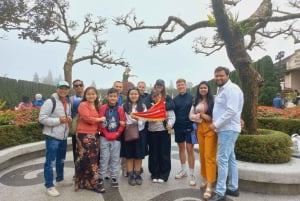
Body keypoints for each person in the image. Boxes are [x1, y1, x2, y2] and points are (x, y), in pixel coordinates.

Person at [208, 67, 244, 201]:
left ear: (228, 75)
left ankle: (220, 192)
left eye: (221, 76)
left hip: (227, 129)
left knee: (222, 160)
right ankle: (233, 187)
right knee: (230, 159)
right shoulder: (223, 89)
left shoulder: (232, 89)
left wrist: (215, 124)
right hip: (226, 129)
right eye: (216, 76)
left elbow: (231, 111)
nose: (218, 78)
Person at [38, 81, 73, 197]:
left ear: (68, 90)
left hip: (63, 136)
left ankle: (60, 179)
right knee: (50, 162)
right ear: (57, 89)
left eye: (66, 88)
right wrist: (59, 120)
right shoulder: (50, 101)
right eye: (61, 88)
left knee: (61, 160)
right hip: (52, 136)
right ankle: (49, 186)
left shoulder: (67, 102)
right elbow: (42, 119)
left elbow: (67, 116)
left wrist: (69, 118)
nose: (63, 90)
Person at [74, 87, 106, 193]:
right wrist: (100, 119)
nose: (91, 96)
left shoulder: (97, 106)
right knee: (88, 159)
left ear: (96, 95)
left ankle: (84, 182)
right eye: (88, 94)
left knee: (90, 159)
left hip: (95, 134)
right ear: (85, 95)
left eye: (93, 94)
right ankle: (92, 183)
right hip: (84, 135)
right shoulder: (83, 105)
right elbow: (87, 119)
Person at [189, 81, 217, 200]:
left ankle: (210, 185)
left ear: (208, 89)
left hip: (210, 128)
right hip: (199, 129)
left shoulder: (213, 100)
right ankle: (207, 179)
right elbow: (191, 115)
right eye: (201, 88)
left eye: (205, 87)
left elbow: (214, 117)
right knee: (202, 156)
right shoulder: (196, 100)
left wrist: (202, 115)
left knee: (209, 156)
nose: (203, 89)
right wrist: (198, 116)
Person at [98, 88, 126, 189]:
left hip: (116, 138)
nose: (113, 98)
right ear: (107, 96)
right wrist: (105, 133)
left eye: (115, 96)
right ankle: (101, 177)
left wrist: (117, 133)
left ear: (117, 97)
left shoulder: (120, 109)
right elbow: (100, 123)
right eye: (111, 96)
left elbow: (123, 123)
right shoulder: (103, 108)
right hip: (104, 137)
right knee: (104, 158)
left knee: (115, 158)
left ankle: (114, 178)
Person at [147, 88, 175, 183]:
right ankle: (154, 173)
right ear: (152, 97)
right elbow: (145, 117)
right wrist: (150, 119)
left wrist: (170, 124)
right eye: (154, 96)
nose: (156, 97)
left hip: (164, 132)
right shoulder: (150, 106)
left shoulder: (166, 105)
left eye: (158, 95)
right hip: (152, 132)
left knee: (164, 153)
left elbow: (172, 117)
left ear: (161, 96)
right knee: (153, 153)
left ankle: (164, 174)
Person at [121, 87, 147, 186]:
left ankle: (137, 174)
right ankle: (130, 174)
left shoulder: (143, 106)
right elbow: (123, 119)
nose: (133, 96)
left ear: (138, 95)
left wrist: (138, 119)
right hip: (128, 133)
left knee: (138, 155)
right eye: (131, 94)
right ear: (128, 95)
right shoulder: (124, 106)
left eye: (135, 94)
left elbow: (145, 119)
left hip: (140, 132)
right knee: (129, 155)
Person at [173, 78, 196, 186]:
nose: (180, 87)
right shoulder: (175, 99)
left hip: (189, 127)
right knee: (181, 149)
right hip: (178, 127)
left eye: (182, 85)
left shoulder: (192, 98)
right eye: (178, 85)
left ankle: (192, 174)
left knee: (190, 150)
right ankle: (183, 171)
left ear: (185, 85)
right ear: (176, 87)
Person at [70, 79, 85, 164]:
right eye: (76, 85)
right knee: (76, 150)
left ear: (83, 86)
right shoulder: (71, 99)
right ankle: (77, 171)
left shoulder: (89, 96)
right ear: (73, 88)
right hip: (76, 127)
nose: (78, 87)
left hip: (88, 127)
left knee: (88, 151)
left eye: (80, 85)